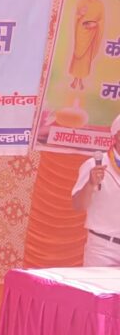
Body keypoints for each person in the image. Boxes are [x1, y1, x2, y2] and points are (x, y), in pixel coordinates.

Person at [71, 113, 120, 266]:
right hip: (103, 248)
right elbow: (78, 205)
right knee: (99, 283)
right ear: (117, 135)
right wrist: (90, 184)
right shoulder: (95, 164)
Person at [68, 0, 105, 92]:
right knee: (77, 56)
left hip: (91, 34)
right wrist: (80, 14)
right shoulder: (82, 2)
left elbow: (102, 21)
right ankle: (75, 79)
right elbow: (76, 17)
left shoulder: (100, 5)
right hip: (81, 32)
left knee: (85, 59)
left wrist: (96, 24)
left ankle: (81, 80)